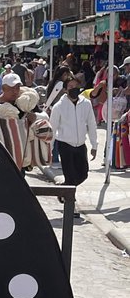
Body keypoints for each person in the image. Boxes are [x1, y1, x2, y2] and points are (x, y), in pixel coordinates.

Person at [50, 75, 97, 206]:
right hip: (65, 145)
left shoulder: (86, 104)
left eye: (76, 86)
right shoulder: (58, 107)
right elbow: (52, 129)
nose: (74, 89)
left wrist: (94, 144)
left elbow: (91, 124)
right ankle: (71, 206)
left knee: (83, 174)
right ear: (65, 89)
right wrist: (49, 149)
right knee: (70, 176)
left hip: (81, 145)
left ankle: (63, 189)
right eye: (70, 87)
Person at [0, 71, 52, 171]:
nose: (15, 91)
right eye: (11, 88)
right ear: (3, 88)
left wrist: (34, 116)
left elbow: (45, 116)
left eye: (17, 87)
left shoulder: (24, 102)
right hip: (2, 154)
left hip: (22, 156)